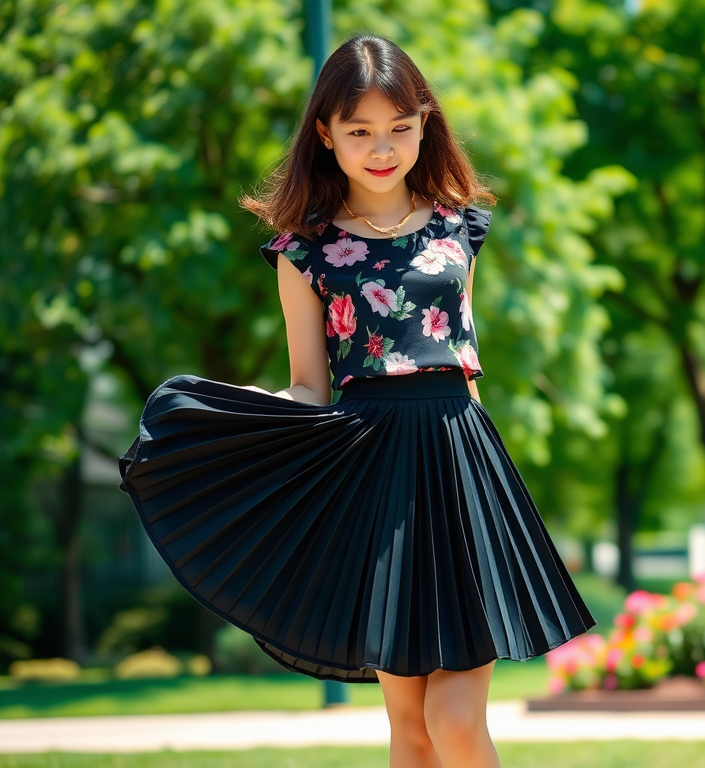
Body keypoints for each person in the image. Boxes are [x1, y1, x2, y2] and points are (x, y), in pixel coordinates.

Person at [117, 33, 596, 768]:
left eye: (401, 128)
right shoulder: (302, 251)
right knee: (409, 731)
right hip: (375, 481)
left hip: (460, 469)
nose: (383, 147)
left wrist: (484, 487)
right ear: (326, 134)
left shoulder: (457, 227)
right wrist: (247, 410)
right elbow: (310, 383)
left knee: (456, 721)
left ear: (425, 124)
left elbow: (468, 364)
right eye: (361, 131)